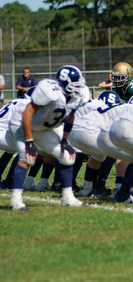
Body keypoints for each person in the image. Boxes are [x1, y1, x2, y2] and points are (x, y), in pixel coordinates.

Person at [7, 65, 89, 211]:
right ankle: (15, 200)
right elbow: (27, 113)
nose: (79, 87)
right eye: (75, 83)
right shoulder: (50, 91)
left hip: (43, 129)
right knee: (27, 157)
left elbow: (70, 115)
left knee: (67, 156)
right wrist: (29, 142)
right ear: (65, 84)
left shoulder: (78, 96)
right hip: (22, 124)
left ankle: (68, 198)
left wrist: (64, 140)